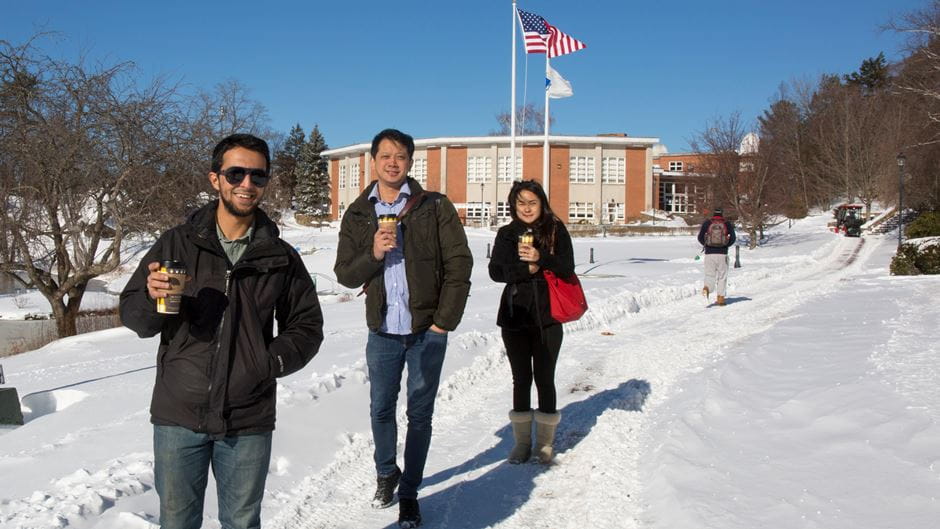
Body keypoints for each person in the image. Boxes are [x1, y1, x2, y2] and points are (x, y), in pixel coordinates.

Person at [119, 133, 324, 529]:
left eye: (258, 176)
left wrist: (265, 363)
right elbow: (136, 319)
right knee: (177, 522)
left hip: (248, 417)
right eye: (236, 173)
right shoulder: (177, 242)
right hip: (179, 413)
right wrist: (150, 296)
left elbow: (307, 326)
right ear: (215, 179)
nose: (247, 184)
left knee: (242, 522)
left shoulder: (279, 255)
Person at [333, 128, 472, 528]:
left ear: (410, 162)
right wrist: (374, 252)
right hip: (382, 330)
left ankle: (409, 492)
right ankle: (385, 472)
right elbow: (344, 273)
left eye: (401, 156)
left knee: (420, 415)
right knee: (380, 409)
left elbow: (459, 265)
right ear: (373, 161)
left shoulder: (433, 206)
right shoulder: (359, 213)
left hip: (427, 329)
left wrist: (444, 322)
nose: (393, 163)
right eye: (386, 156)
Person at [488, 180, 573, 465]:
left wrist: (542, 258)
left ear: (542, 203)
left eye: (532, 202)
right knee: (521, 378)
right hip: (515, 315)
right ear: (513, 205)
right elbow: (496, 272)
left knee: (545, 377)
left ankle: (545, 444)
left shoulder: (555, 230)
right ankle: (522, 443)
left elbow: (567, 267)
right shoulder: (507, 234)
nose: (526, 208)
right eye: (521, 202)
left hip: (549, 317)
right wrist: (527, 268)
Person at [697, 206, 737, 306]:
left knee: (710, 274)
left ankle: (707, 288)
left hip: (709, 254)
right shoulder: (727, 224)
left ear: (714, 213)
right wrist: (726, 245)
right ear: (722, 213)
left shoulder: (708, 223)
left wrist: (706, 245)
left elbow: (700, 237)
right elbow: (733, 238)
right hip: (722, 254)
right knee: (722, 276)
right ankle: (720, 298)